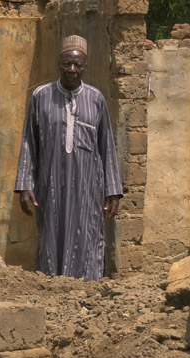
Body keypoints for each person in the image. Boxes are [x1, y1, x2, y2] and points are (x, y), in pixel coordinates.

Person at [14, 35, 123, 281]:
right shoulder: (41, 96)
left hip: (88, 189)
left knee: (87, 235)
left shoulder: (96, 99)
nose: (72, 69)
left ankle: (87, 293)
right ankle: (51, 291)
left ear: (85, 66)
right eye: (67, 63)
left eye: (78, 65)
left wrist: (113, 190)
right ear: (59, 63)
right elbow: (29, 141)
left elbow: (107, 146)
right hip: (50, 185)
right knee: (51, 237)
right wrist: (25, 185)